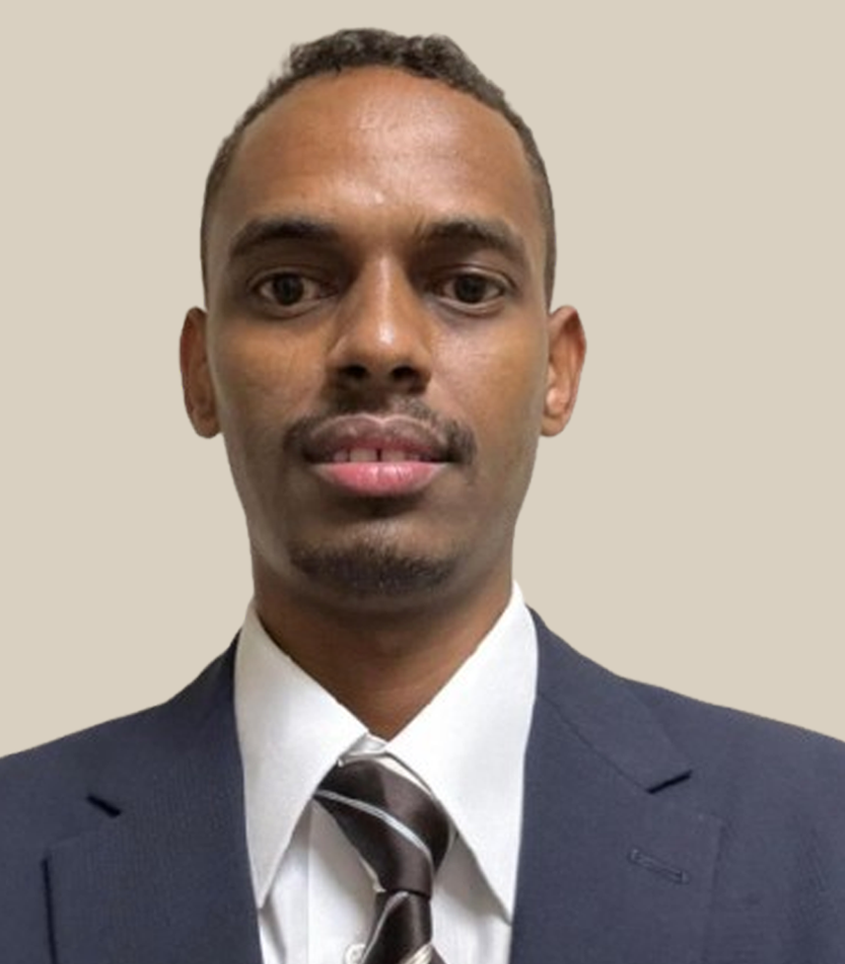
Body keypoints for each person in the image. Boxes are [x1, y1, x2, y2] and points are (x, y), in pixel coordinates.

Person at [1, 27, 844, 964]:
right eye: (289, 286)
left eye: (467, 287)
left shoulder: (822, 835)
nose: (380, 342)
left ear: (557, 372)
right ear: (200, 374)